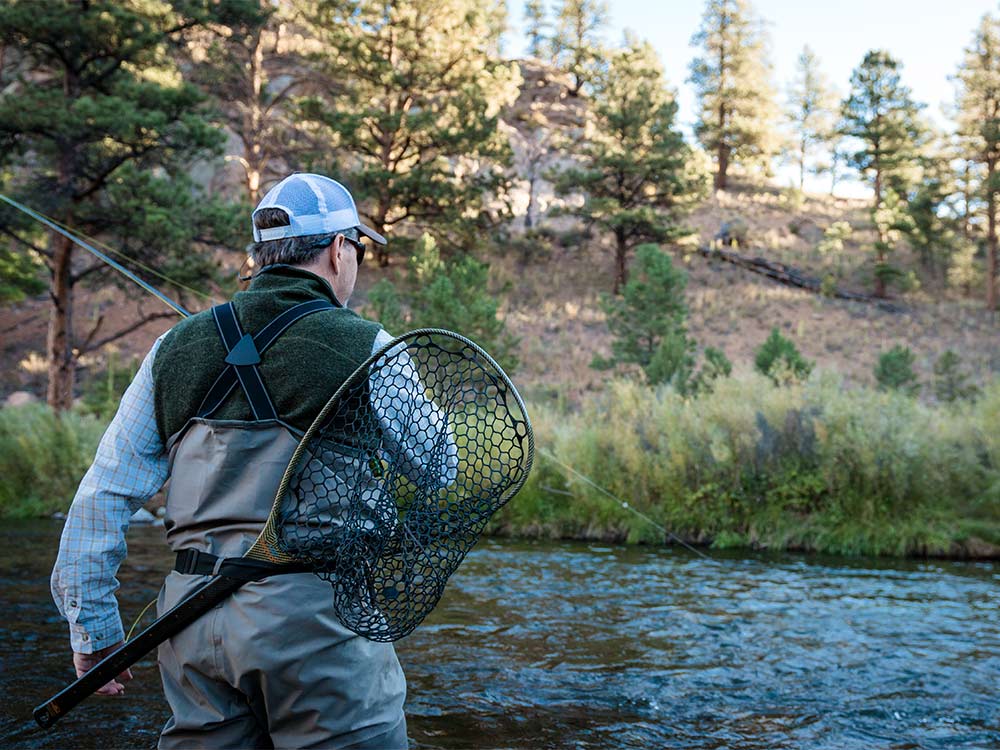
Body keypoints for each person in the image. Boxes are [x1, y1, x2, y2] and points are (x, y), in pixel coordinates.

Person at [49, 173, 446, 748]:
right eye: (357, 250)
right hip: (315, 623)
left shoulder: (172, 348)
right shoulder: (370, 346)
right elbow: (442, 467)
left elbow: (102, 496)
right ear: (338, 251)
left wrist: (93, 628)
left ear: (260, 256)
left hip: (190, 626)